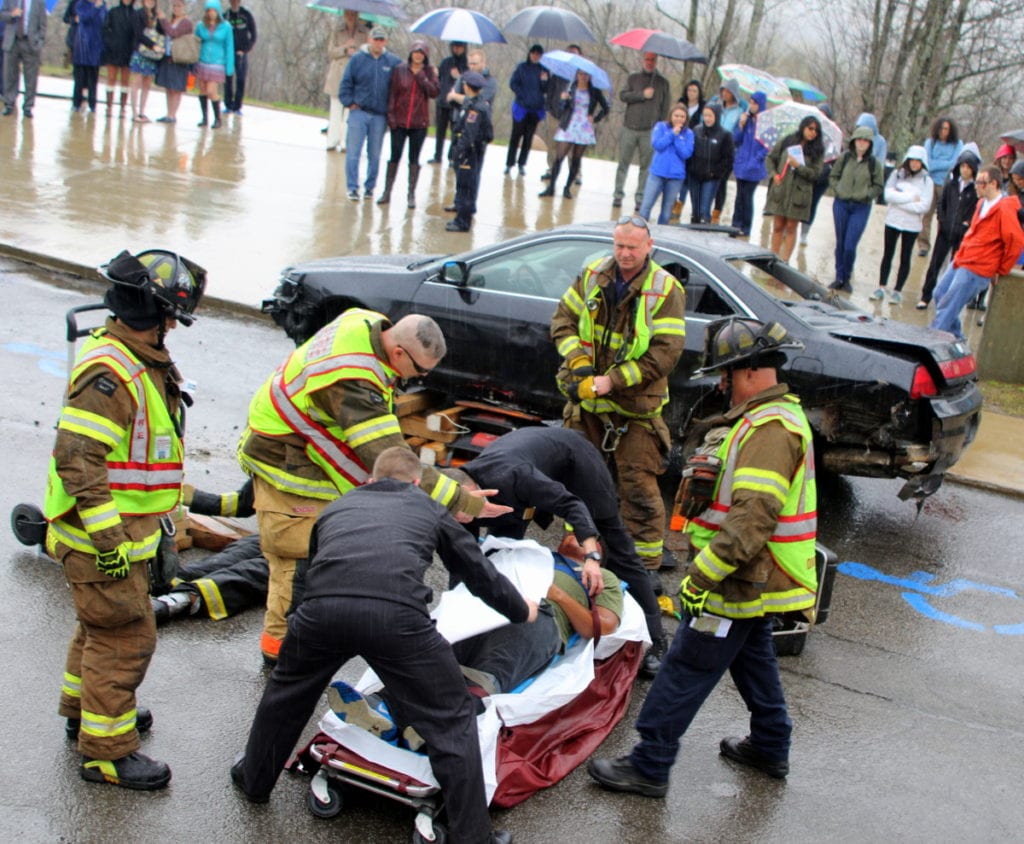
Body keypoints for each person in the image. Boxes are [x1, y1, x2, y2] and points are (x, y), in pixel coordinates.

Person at [231, 447, 534, 844]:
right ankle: (473, 837)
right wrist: (518, 609)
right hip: (398, 620)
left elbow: (307, 572)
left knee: (285, 696)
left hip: (322, 614)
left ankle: (254, 780)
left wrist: (297, 624)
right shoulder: (428, 508)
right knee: (450, 719)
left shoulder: (338, 507)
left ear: (370, 479)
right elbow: (476, 570)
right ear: (415, 482)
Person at [588, 317, 817, 797]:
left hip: (738, 578)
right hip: (757, 580)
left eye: (727, 373)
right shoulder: (764, 420)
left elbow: (752, 516)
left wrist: (702, 578)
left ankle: (649, 765)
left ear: (752, 370)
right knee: (753, 657)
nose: (721, 383)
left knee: (687, 666)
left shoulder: (770, 430)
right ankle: (771, 746)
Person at [237, 309, 505, 664]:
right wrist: (461, 501)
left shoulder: (364, 322)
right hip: (288, 462)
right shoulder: (353, 381)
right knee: (296, 561)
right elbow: (391, 459)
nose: (420, 378)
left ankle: (305, 638)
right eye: (420, 371)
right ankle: (280, 656)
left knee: (322, 551)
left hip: (297, 441)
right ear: (398, 353)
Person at [46, 248, 206, 790]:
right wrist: (108, 539)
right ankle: (108, 752)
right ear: (149, 313)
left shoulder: (134, 357)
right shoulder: (112, 372)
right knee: (125, 640)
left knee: (98, 630)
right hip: (100, 541)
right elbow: (77, 457)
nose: (171, 328)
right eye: (169, 317)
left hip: (111, 536)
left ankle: (83, 713)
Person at [445, 425, 669, 677]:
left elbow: (571, 504)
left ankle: (657, 637)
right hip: (518, 485)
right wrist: (454, 615)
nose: (460, 520)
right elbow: (463, 560)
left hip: (575, 462)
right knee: (501, 555)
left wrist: (592, 556)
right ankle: (489, 629)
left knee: (617, 543)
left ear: (473, 492)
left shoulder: (514, 476)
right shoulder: (453, 498)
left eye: (461, 513)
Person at [550, 216, 686, 574]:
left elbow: (665, 353)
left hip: (635, 407)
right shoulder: (593, 273)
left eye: (633, 247)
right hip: (589, 404)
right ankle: (579, 550)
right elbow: (562, 321)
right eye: (619, 246)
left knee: (638, 487)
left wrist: (613, 381)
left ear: (649, 247)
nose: (625, 254)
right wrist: (579, 363)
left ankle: (642, 568)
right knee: (579, 481)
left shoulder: (664, 289)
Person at [451, 559, 622, 696]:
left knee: (486, 676)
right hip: (495, 601)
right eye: (569, 530)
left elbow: (604, 627)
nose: (572, 535)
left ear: (597, 549)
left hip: (542, 615)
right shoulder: (536, 553)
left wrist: (558, 596)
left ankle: (464, 706)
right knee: (440, 655)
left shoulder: (603, 577)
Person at [930, 165, 1024, 339]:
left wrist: (1001, 269)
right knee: (940, 293)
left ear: (993, 184)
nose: (976, 185)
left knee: (948, 307)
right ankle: (957, 339)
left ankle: (930, 341)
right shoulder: (981, 203)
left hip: (978, 268)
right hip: (964, 259)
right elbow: (973, 232)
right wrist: (959, 256)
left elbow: (1016, 241)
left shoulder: (1004, 208)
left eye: (981, 182)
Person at [917, 144, 981, 309]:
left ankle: (946, 300)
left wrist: (966, 225)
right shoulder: (951, 184)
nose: (964, 170)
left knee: (955, 267)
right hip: (944, 231)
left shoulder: (975, 190)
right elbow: (941, 203)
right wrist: (942, 220)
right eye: (962, 166)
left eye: (968, 167)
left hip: (961, 234)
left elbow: (976, 210)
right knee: (935, 264)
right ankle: (925, 295)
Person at [339, 26, 399, 201]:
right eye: (375, 39)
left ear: (385, 42)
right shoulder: (357, 59)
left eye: (381, 40)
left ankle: (370, 188)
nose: (378, 43)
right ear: (369, 40)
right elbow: (346, 83)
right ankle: (352, 187)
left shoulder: (392, 62)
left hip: (379, 115)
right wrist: (349, 102)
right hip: (359, 112)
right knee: (353, 152)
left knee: (374, 154)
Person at [376, 40, 438, 208]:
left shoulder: (429, 72)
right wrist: (391, 118)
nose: (418, 55)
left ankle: (411, 194)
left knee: (414, 159)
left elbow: (434, 92)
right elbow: (393, 95)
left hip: (419, 123)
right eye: (415, 52)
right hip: (400, 121)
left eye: (421, 52)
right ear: (411, 53)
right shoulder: (400, 70)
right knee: (394, 157)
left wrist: (422, 77)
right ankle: (387, 191)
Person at [827, 125, 884, 293]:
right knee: (840, 241)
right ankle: (839, 276)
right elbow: (833, 176)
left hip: (861, 207)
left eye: (866, 141)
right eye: (859, 139)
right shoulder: (844, 158)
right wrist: (838, 189)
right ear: (854, 141)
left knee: (850, 244)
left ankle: (847, 275)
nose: (862, 143)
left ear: (870, 144)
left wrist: (867, 195)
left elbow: (878, 185)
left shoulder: (874, 164)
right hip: (842, 203)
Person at [873, 146, 932, 304]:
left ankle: (898, 290)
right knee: (888, 254)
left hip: (911, 225)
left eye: (917, 161)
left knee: (905, 257)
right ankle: (881, 286)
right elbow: (888, 195)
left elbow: (924, 206)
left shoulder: (927, 181)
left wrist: (900, 200)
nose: (914, 164)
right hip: (893, 221)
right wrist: (911, 197)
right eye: (911, 160)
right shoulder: (897, 174)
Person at [538, 68, 608, 201]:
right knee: (559, 157)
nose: (583, 76)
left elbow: (606, 107)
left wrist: (595, 118)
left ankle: (567, 188)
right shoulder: (570, 87)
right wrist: (563, 99)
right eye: (581, 74)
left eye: (586, 74)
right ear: (577, 75)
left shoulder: (594, 91)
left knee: (576, 160)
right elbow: (561, 107)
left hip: (584, 127)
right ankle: (551, 186)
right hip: (569, 124)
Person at [612, 52, 670, 210]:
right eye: (647, 59)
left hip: (649, 131)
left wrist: (660, 129)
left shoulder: (663, 83)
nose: (649, 62)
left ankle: (640, 197)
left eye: (652, 60)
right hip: (629, 127)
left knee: (646, 166)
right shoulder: (633, 78)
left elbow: (665, 108)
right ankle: (618, 194)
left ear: (656, 61)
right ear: (643, 60)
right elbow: (623, 95)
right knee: (623, 162)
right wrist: (642, 95)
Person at [764, 114, 824, 262]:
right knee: (778, 225)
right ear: (803, 127)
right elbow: (770, 158)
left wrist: (799, 167)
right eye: (810, 128)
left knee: (791, 227)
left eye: (816, 131)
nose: (812, 132)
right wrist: (774, 175)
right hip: (782, 189)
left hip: (799, 193)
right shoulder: (788, 141)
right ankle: (773, 258)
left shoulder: (817, 150)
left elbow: (816, 174)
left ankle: (784, 261)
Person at [446, 71, 492, 233]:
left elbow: (469, 134)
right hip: (473, 150)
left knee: (466, 186)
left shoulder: (476, 109)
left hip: (469, 152)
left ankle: (463, 221)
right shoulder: (476, 103)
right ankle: (463, 214)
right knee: (466, 184)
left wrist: (458, 152)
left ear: (467, 86)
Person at [637, 104, 694, 225]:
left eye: (682, 116)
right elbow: (657, 145)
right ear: (671, 115)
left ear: (686, 118)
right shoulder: (661, 127)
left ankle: (661, 235)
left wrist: (678, 137)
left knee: (666, 212)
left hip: (675, 177)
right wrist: (672, 134)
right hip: (657, 173)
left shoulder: (688, 133)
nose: (679, 119)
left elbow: (686, 153)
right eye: (676, 115)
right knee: (645, 207)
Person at [322, 10, 368, 153]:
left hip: (355, 75)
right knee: (335, 110)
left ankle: (345, 142)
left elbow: (368, 52)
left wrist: (357, 50)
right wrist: (344, 48)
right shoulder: (337, 31)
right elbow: (331, 52)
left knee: (349, 113)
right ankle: (332, 140)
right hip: (337, 75)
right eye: (348, 14)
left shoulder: (365, 32)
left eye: (353, 14)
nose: (350, 16)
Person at [917, 117, 963, 256]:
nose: (944, 131)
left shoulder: (957, 144)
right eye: (941, 128)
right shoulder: (930, 143)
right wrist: (942, 163)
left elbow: (954, 163)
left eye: (947, 129)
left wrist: (937, 164)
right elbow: (926, 163)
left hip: (947, 184)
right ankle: (923, 245)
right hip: (930, 182)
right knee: (926, 215)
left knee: (945, 216)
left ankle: (941, 245)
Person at [540, 43, 582, 183]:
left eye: (574, 53)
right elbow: (550, 90)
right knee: (552, 144)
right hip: (555, 113)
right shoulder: (558, 72)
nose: (571, 56)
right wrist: (548, 108)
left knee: (571, 147)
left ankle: (575, 173)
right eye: (569, 53)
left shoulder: (582, 75)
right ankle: (552, 169)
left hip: (571, 117)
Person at [504, 44, 548, 177]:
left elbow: (546, 89)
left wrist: (544, 81)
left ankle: (522, 164)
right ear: (529, 54)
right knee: (515, 136)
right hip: (521, 107)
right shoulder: (521, 67)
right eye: (533, 53)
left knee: (528, 138)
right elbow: (513, 83)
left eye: (538, 54)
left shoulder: (544, 70)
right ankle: (509, 163)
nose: (535, 56)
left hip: (535, 109)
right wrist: (521, 94)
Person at [687, 103, 733, 224]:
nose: (707, 118)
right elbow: (689, 151)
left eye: (710, 116)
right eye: (705, 115)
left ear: (716, 116)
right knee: (695, 210)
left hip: (711, 178)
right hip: (694, 176)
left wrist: (716, 173)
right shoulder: (696, 130)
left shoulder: (725, 135)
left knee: (704, 210)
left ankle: (704, 231)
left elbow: (728, 159)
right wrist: (690, 169)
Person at [730, 91, 768, 237]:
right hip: (742, 163)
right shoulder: (746, 120)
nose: (751, 105)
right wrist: (741, 125)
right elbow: (736, 139)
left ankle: (745, 227)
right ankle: (735, 225)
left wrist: (757, 159)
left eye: (755, 103)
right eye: (750, 102)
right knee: (739, 197)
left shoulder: (765, 124)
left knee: (747, 197)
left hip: (754, 167)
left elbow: (767, 146)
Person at [1, 0, 48, 118]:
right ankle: (9, 103)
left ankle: (28, 106)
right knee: (10, 75)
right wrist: (11, 14)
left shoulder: (39, 3)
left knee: (31, 77)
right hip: (12, 41)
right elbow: (2, 14)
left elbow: (43, 24)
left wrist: (39, 42)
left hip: (30, 42)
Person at [709, 79, 747, 225]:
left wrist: (740, 126)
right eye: (723, 90)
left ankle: (717, 211)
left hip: (727, 150)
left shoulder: (740, 111)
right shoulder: (716, 105)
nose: (725, 93)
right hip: (711, 147)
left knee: (721, 181)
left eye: (728, 91)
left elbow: (738, 135)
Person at [194, 0, 234, 129]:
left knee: (211, 90)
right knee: (202, 90)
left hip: (217, 62)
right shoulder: (201, 25)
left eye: (214, 10)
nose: (211, 13)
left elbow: (229, 46)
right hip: (202, 60)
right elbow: (195, 41)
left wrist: (229, 66)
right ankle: (204, 117)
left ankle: (218, 118)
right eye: (209, 11)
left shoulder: (226, 26)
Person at [153, 0, 192, 124]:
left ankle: (173, 114)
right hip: (168, 56)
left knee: (176, 88)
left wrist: (164, 20)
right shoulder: (172, 20)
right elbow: (164, 32)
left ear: (184, 7)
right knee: (168, 87)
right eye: (174, 6)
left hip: (179, 57)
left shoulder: (186, 22)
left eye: (178, 6)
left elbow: (173, 33)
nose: (176, 8)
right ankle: (168, 113)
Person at [428, 40, 466, 164]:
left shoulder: (466, 65)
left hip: (457, 105)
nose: (457, 49)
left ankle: (452, 157)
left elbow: (469, 85)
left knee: (456, 132)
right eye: (455, 47)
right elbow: (439, 80)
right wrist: (435, 74)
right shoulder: (446, 62)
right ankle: (437, 156)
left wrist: (459, 76)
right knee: (440, 131)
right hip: (442, 102)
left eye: (460, 47)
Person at [126, 0, 162, 123]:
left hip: (152, 55)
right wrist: (152, 45)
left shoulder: (156, 16)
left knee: (147, 83)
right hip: (140, 51)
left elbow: (161, 33)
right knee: (136, 82)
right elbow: (138, 34)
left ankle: (142, 111)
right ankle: (134, 112)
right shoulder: (138, 14)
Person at [69, 0, 106, 115]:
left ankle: (92, 104)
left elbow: (104, 22)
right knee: (79, 78)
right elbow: (85, 18)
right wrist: (95, 8)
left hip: (96, 45)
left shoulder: (102, 5)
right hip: (82, 45)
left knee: (93, 78)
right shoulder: (81, 4)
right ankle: (77, 103)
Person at [98, 0, 133, 118]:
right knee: (111, 78)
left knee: (125, 81)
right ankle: (109, 106)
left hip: (128, 51)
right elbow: (105, 29)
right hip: (113, 50)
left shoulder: (135, 14)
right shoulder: (113, 12)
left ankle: (123, 107)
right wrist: (110, 42)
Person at [222, 0, 256, 115]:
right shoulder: (225, 15)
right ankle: (228, 105)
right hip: (229, 53)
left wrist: (246, 49)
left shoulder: (246, 14)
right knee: (228, 79)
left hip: (241, 53)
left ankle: (237, 106)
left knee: (241, 79)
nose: (234, 2)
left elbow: (254, 34)